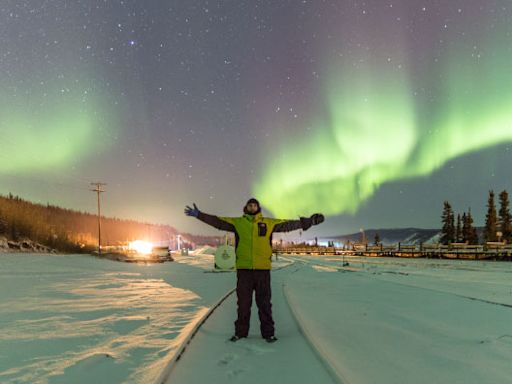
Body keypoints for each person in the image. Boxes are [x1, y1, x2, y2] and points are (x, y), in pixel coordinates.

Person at [184, 198, 324, 343]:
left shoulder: (269, 223)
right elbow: (217, 222)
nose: (252, 207)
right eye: (250, 205)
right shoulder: (238, 223)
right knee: (243, 303)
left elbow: (289, 225)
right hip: (244, 270)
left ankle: (268, 334)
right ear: (246, 207)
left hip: (262, 270)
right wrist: (199, 215)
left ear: (258, 207)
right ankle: (240, 333)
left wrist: (310, 221)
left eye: (254, 205)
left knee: (264, 303)